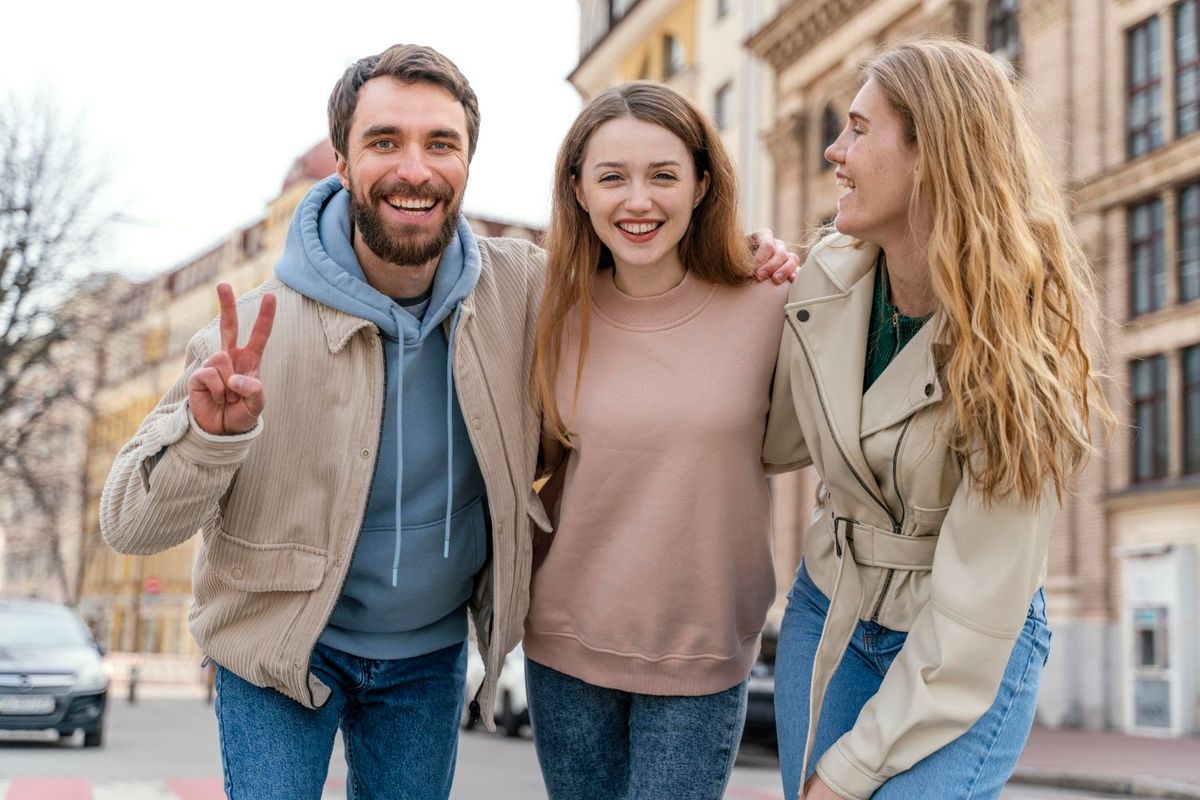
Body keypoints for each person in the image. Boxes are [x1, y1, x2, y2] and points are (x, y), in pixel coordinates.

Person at [100, 45, 796, 800]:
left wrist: (752, 257)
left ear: (468, 164)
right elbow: (130, 526)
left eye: (441, 144)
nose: (415, 168)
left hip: (428, 657)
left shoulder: (526, 290)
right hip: (280, 652)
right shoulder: (256, 334)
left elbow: (647, 295)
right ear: (342, 162)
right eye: (384, 141)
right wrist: (212, 438)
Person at [763, 38, 1113, 800]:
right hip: (829, 611)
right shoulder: (823, 275)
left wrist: (846, 776)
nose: (834, 149)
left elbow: (973, 617)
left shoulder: (1026, 338)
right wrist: (745, 304)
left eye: (858, 129)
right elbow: (773, 440)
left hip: (966, 638)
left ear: (934, 153)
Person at [523, 81, 792, 800]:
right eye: (611, 177)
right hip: (564, 645)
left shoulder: (771, 300)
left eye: (663, 175)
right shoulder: (549, 312)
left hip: (701, 657)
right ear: (578, 190)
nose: (637, 201)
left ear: (703, 184)